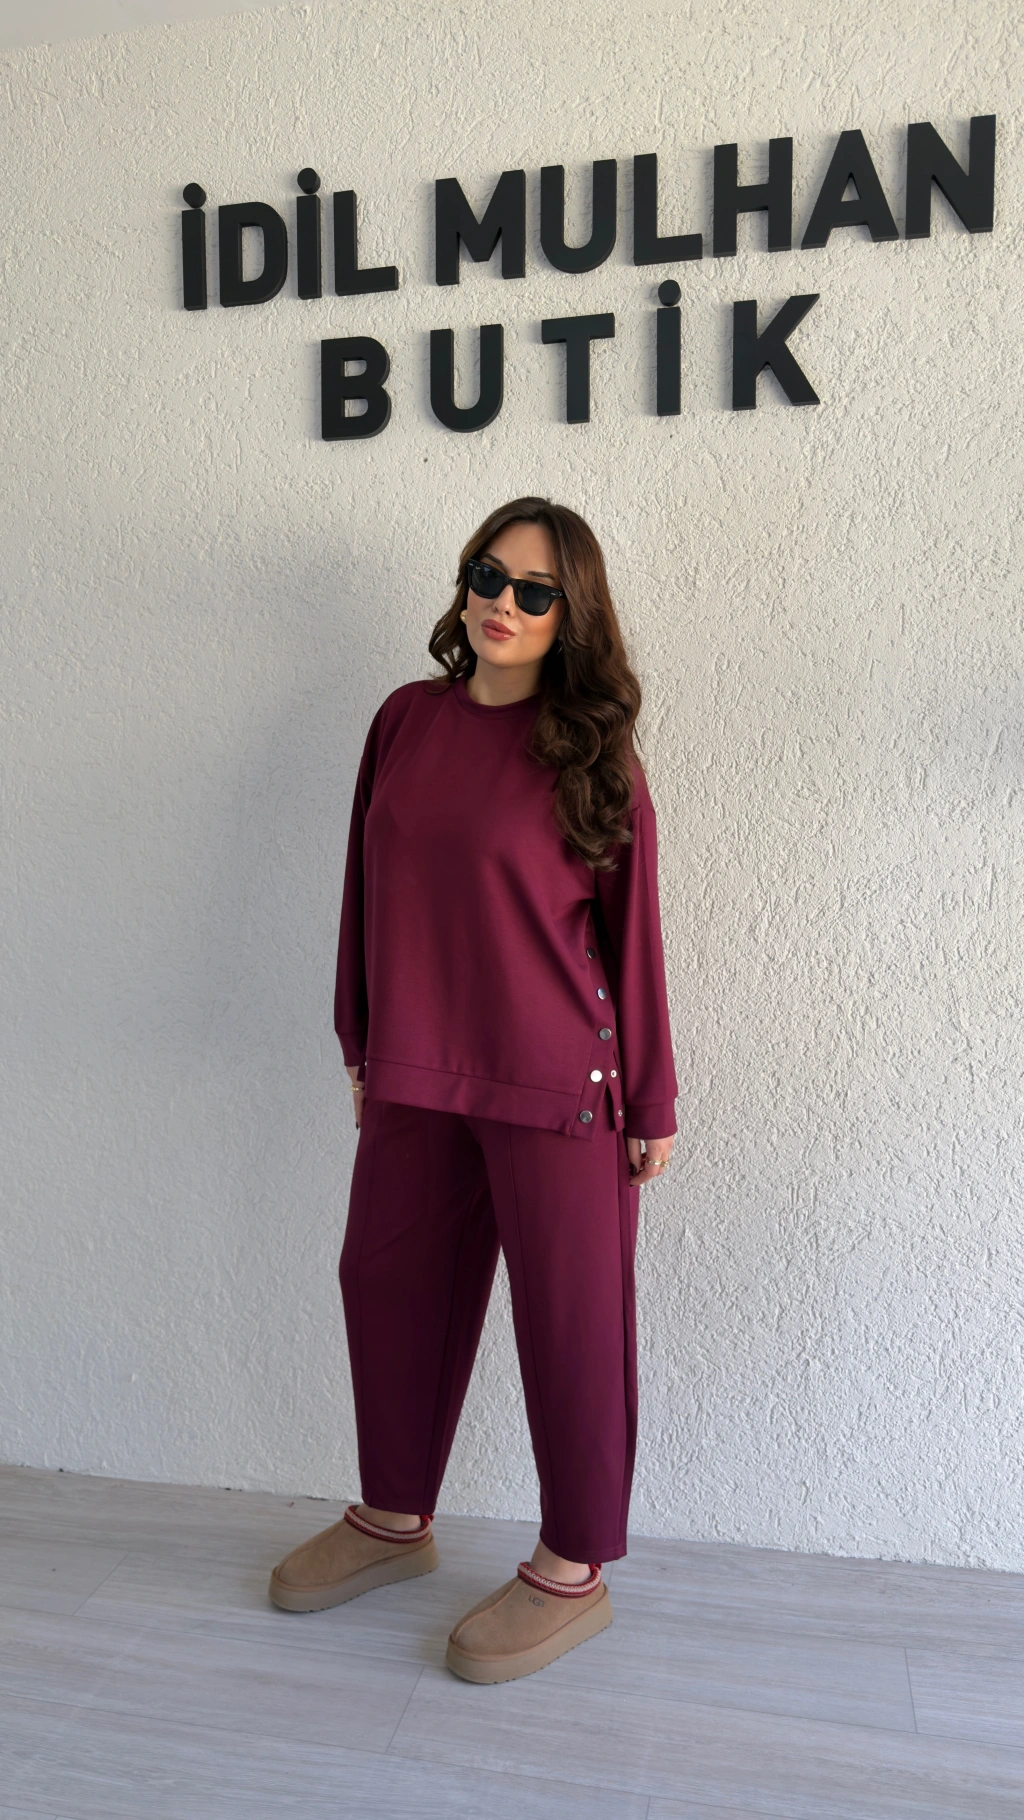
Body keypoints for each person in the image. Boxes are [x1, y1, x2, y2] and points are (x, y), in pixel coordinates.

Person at [269, 497, 678, 1684]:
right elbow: (365, 881)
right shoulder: (405, 719)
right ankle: (394, 1516)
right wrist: (359, 1037)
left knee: (571, 1322)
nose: (502, 601)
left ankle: (572, 1565)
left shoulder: (591, 751)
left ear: (570, 614)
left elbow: (633, 932)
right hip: (415, 1064)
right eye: (487, 574)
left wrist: (649, 1097)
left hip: (560, 1082)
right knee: (383, 1279)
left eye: (534, 590)